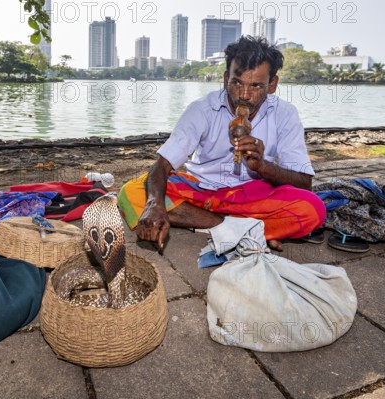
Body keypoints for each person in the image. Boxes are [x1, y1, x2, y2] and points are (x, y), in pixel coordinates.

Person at [118, 36, 325, 251]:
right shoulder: (201, 109)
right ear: (226, 78)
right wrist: (155, 205)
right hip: (200, 189)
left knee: (313, 208)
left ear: (272, 85)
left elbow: (304, 183)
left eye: (256, 86)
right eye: (237, 83)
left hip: (252, 196)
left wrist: (263, 167)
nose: (244, 96)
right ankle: (240, 229)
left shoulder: (285, 114)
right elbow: (162, 166)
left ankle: (212, 225)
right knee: (130, 193)